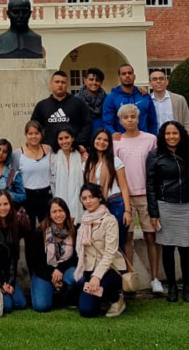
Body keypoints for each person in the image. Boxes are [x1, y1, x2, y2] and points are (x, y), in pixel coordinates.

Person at [113, 104, 162, 294]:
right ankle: (129, 278)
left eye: (133, 116)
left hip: (147, 195)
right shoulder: (117, 142)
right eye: (126, 117)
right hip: (125, 197)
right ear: (120, 121)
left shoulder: (150, 139)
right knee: (128, 237)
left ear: (138, 118)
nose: (130, 120)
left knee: (151, 236)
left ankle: (155, 279)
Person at [146, 121, 189, 303]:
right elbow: (150, 185)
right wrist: (153, 213)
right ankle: (172, 287)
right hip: (165, 205)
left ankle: (187, 287)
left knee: (185, 249)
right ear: (162, 136)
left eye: (175, 133)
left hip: (186, 206)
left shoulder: (188, 153)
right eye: (167, 133)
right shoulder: (155, 155)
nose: (171, 137)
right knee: (167, 249)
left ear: (180, 135)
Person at [75, 183, 127, 318]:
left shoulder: (109, 220)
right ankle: (101, 297)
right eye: (84, 198)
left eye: (91, 197)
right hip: (89, 269)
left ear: (99, 198)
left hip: (111, 269)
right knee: (86, 310)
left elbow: (110, 253)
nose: (88, 201)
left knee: (90, 305)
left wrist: (96, 276)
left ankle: (117, 299)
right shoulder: (84, 221)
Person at [83, 128, 131, 251]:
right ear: (93, 140)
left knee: (117, 244)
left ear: (109, 143)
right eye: (99, 139)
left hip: (115, 204)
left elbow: (124, 187)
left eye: (105, 140)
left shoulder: (115, 161)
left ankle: (122, 264)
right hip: (96, 207)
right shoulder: (87, 163)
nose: (101, 142)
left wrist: (127, 211)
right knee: (100, 244)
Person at [30, 198, 79, 312]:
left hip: (65, 269)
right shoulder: (40, 232)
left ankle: (67, 295)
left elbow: (76, 257)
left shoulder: (74, 230)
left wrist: (60, 269)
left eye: (61, 210)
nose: (58, 214)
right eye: (54, 211)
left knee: (76, 279)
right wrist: (53, 275)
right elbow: (35, 262)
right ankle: (54, 294)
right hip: (44, 271)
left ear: (66, 212)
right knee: (41, 306)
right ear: (49, 215)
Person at [31, 70, 91, 148]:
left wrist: (78, 143)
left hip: (73, 149)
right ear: (50, 84)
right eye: (57, 82)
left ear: (67, 84)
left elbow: (87, 124)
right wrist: (42, 145)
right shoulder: (42, 105)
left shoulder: (78, 103)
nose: (60, 85)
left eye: (63, 82)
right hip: (48, 149)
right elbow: (34, 127)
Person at [11, 120, 52, 230]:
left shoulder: (49, 150)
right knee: (29, 231)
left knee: (47, 230)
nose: (33, 136)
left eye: (36, 133)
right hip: (27, 196)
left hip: (46, 195)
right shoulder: (18, 154)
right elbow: (12, 178)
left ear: (41, 134)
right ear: (26, 135)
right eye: (30, 133)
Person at [102, 64, 158, 139]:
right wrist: (113, 134)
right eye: (124, 74)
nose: (127, 76)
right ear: (119, 78)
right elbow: (107, 122)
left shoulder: (144, 96)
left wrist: (153, 138)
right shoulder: (111, 98)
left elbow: (152, 122)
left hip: (144, 141)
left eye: (130, 73)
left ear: (134, 76)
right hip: (122, 140)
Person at [49, 127, 84, 224]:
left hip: (79, 201)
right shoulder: (54, 158)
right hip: (60, 199)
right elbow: (52, 182)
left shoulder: (82, 156)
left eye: (67, 137)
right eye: (61, 139)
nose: (64, 141)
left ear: (72, 138)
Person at [75, 67, 107, 138]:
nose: (94, 83)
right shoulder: (76, 100)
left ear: (101, 83)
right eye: (91, 79)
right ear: (85, 81)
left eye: (97, 80)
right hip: (82, 137)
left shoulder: (107, 99)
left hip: (101, 137)